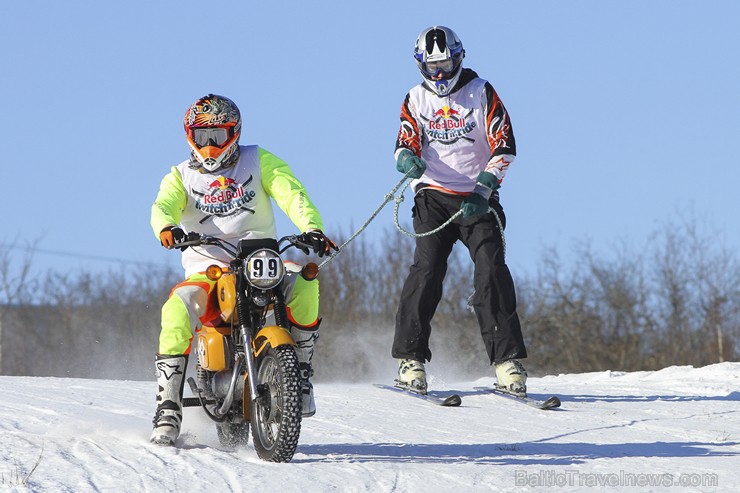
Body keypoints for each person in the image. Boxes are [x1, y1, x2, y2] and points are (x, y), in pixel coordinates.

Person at [149, 94, 337, 446]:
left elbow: (291, 192)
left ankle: (302, 373)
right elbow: (163, 205)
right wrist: (166, 227)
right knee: (176, 307)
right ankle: (168, 406)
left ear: (234, 133)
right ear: (189, 136)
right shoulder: (181, 176)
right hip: (209, 266)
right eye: (201, 137)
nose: (209, 146)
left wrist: (312, 228)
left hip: (261, 260)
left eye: (217, 136)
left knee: (306, 279)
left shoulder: (258, 160)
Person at [392, 26, 528, 396]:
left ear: (459, 58)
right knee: (427, 269)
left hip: (477, 196)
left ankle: (506, 362)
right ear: (421, 65)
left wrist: (484, 187)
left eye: (446, 64)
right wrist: (407, 161)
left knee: (490, 269)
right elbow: (404, 142)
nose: (440, 74)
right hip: (432, 196)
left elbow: (506, 145)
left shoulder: (481, 91)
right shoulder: (415, 98)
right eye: (432, 66)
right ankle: (410, 359)